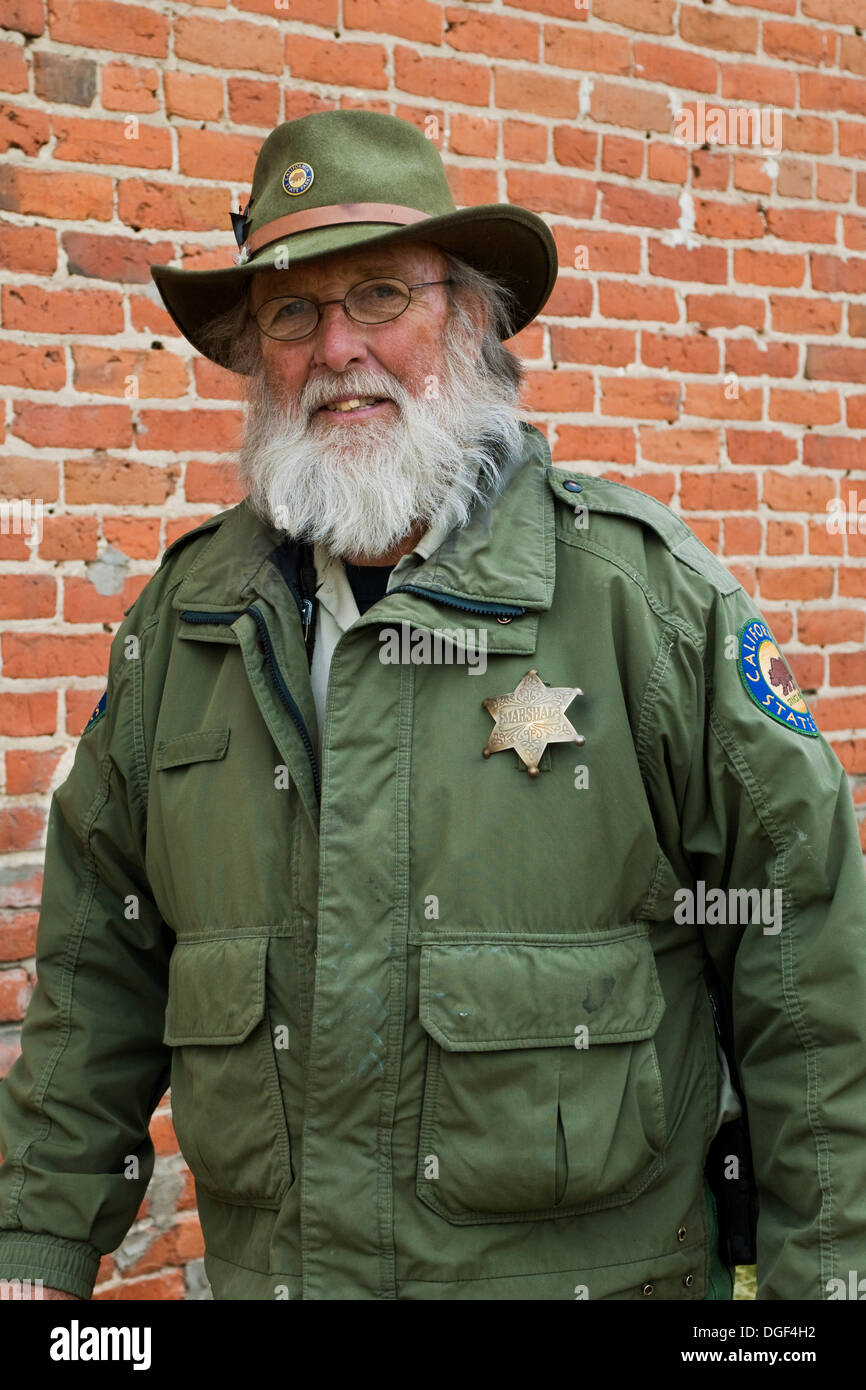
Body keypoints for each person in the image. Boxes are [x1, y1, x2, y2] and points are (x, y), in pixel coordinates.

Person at [1, 109, 864, 1303]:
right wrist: (35, 1261)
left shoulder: (641, 607)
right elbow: (98, 971)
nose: (336, 347)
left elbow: (804, 956)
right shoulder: (183, 629)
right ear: (257, 352)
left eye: (378, 297)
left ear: (464, 316)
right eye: (291, 311)